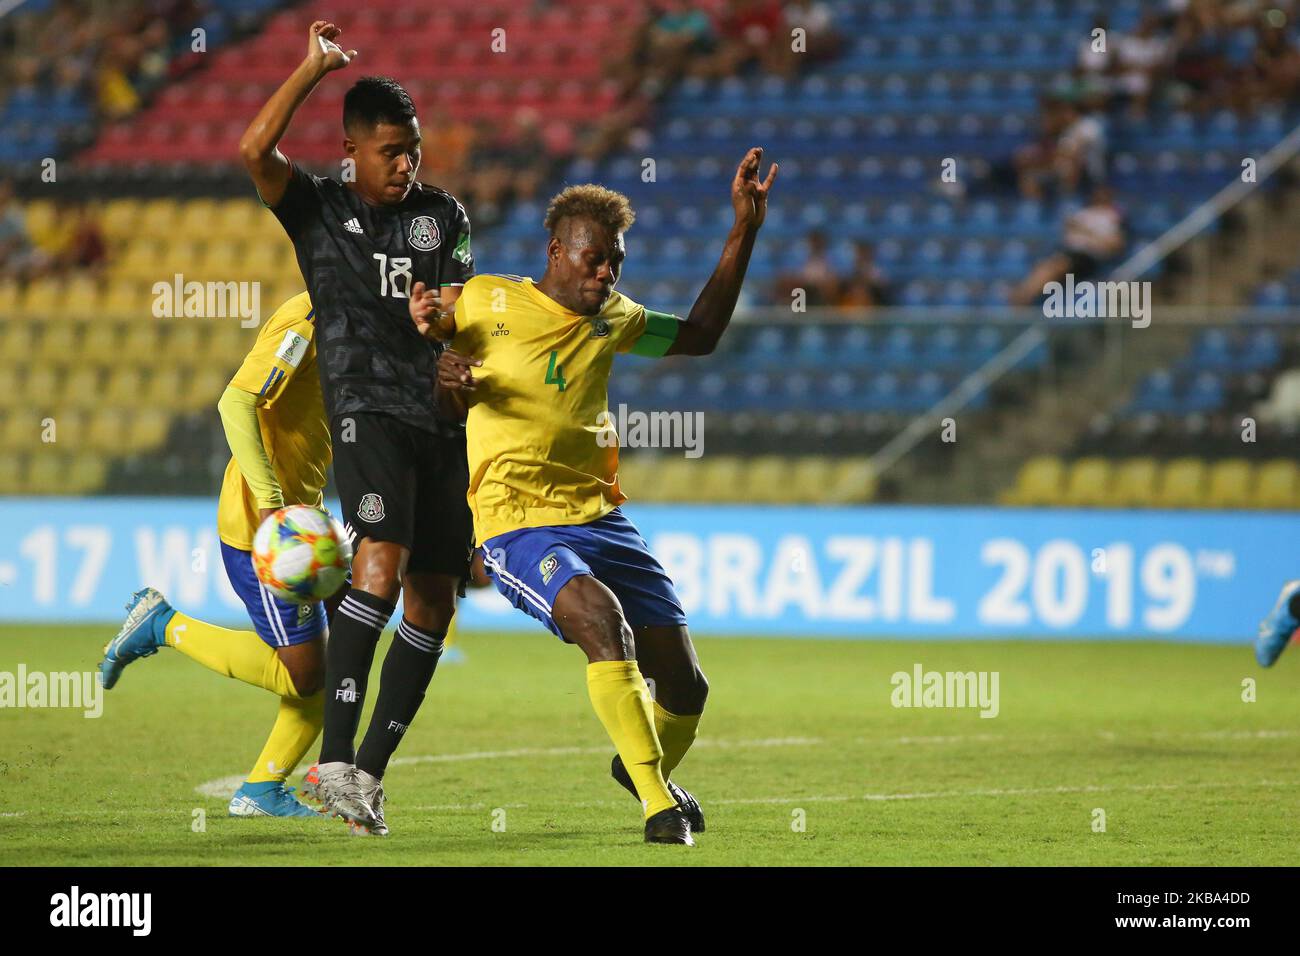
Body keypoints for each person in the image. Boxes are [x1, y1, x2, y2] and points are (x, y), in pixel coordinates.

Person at [413, 147, 778, 845]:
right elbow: (433, 372)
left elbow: (700, 336)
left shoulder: (615, 316)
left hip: (602, 518)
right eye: (594, 259)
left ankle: (640, 767)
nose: (606, 273)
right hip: (517, 522)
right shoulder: (485, 298)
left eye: (615, 261)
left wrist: (745, 227)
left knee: (687, 689)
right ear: (556, 250)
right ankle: (657, 806)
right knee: (600, 620)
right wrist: (440, 370)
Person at [238, 20, 475, 835]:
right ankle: (332, 755)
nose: (407, 163)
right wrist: (309, 68)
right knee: (377, 561)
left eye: (412, 147)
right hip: (366, 410)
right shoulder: (317, 208)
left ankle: (364, 773)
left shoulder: (443, 217)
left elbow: (460, 313)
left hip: (441, 422)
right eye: (390, 151)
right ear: (350, 150)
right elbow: (253, 153)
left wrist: (441, 325)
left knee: (436, 600)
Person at [99, 293, 336, 819]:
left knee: (325, 665)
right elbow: (235, 402)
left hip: (302, 519)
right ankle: (163, 625)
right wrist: (274, 506)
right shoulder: (307, 321)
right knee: (307, 674)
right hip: (267, 532)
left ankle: (261, 791)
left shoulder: (352, 314)